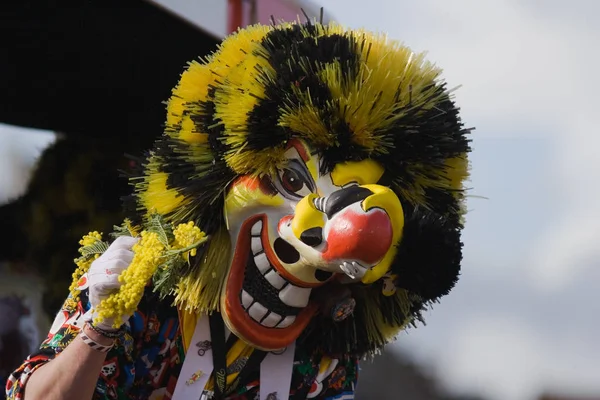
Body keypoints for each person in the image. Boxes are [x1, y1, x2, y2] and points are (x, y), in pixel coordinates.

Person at [6, 19, 472, 400]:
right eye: (291, 180)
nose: (323, 240)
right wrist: (100, 328)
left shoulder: (325, 354)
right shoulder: (134, 285)